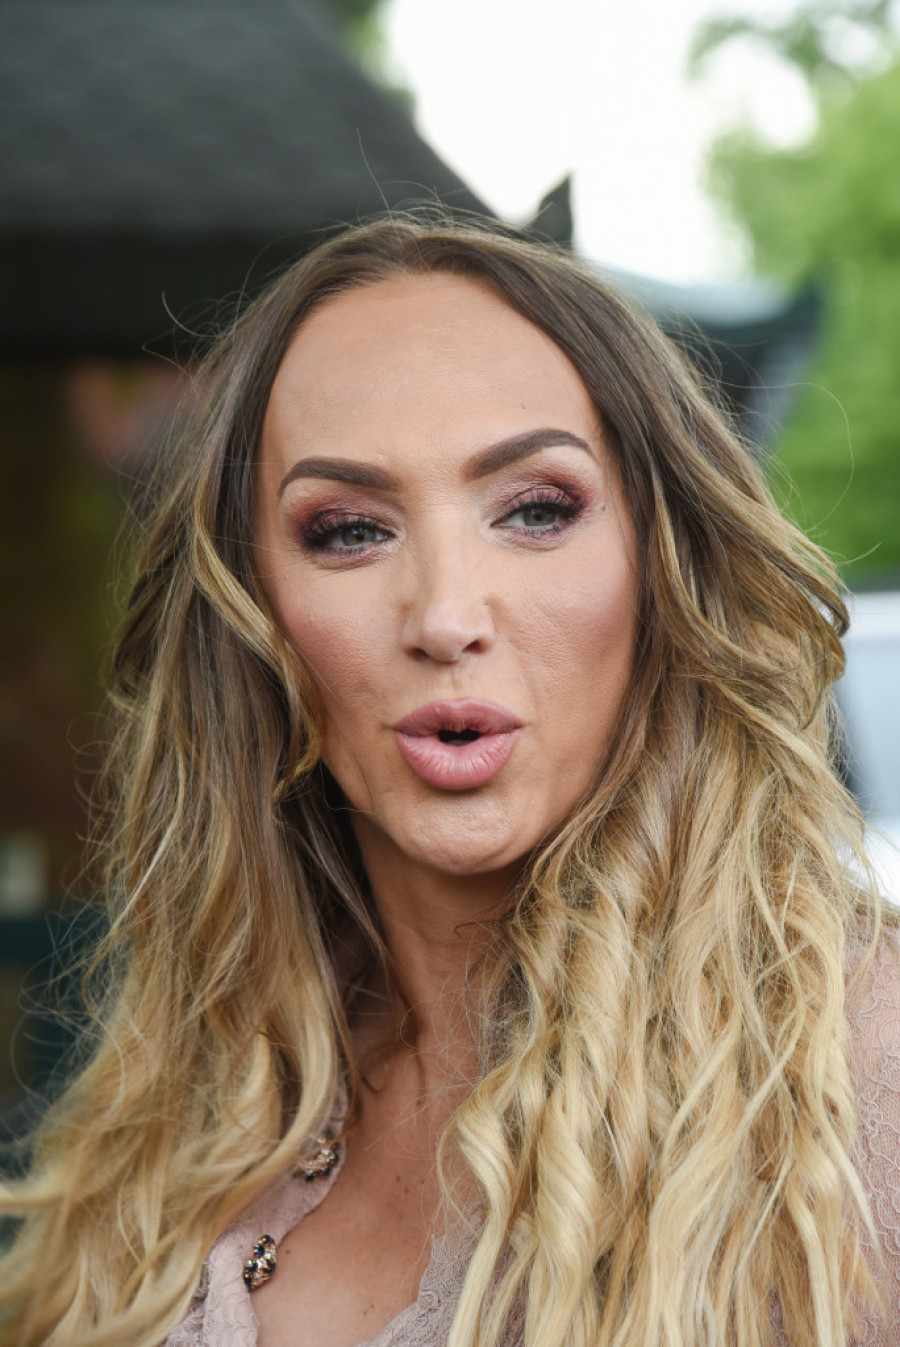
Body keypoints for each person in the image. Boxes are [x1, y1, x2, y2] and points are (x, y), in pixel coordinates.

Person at [1, 214, 897, 1347]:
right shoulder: (180, 1102)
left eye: (537, 510)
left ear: (666, 568)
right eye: (348, 530)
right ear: (255, 611)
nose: (443, 616)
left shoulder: (858, 1071)